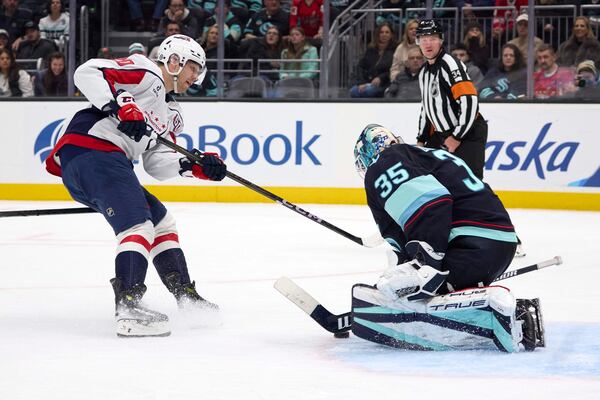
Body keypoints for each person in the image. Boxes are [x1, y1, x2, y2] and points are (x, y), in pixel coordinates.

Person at [44, 34, 228, 338]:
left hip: (105, 161)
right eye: (193, 67)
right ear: (174, 61)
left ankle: (185, 295)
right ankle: (128, 306)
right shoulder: (146, 73)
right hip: (92, 150)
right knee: (138, 225)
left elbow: (156, 164)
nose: (196, 75)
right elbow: (86, 72)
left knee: (161, 221)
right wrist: (117, 105)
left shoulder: (172, 114)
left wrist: (192, 166)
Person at [351, 123, 544, 352]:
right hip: (496, 245)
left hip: (468, 245)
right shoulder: (426, 155)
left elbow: (430, 204)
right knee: (406, 285)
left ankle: (495, 313)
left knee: (403, 289)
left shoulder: (385, 161)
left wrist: (426, 263)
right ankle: (506, 311)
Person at [415, 19, 487, 180]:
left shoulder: (451, 65)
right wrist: (421, 139)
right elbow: (427, 108)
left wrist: (457, 136)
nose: (428, 43)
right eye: (423, 39)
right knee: (433, 180)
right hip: (443, 136)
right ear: (417, 42)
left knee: (470, 185)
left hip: (468, 133)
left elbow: (469, 100)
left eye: (432, 38)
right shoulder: (424, 73)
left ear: (441, 40)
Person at [349, 22, 397, 98]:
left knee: (368, 92)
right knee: (354, 91)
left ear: (391, 35)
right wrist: (362, 83)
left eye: (387, 32)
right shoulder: (371, 49)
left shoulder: (395, 50)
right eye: (381, 32)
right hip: (366, 82)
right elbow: (361, 67)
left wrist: (380, 78)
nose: (384, 34)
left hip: (384, 83)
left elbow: (394, 69)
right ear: (378, 34)